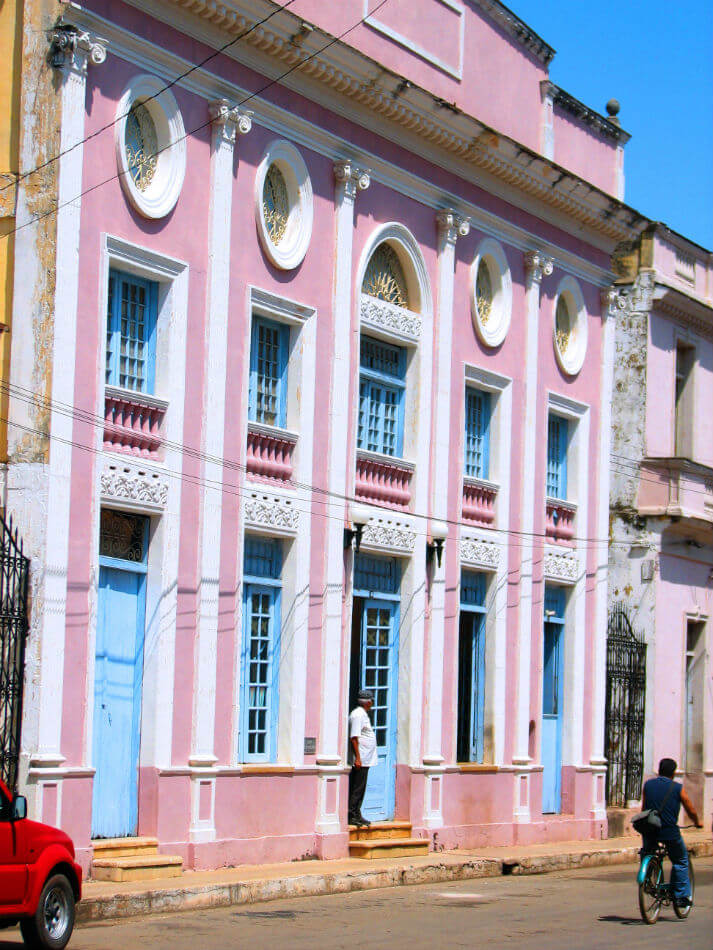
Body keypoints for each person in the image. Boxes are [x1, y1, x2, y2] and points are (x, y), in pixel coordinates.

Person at [639, 757, 703, 909]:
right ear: (673, 773)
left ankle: (648, 878)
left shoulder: (648, 785)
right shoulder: (677, 788)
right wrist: (697, 822)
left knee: (647, 852)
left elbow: (644, 808)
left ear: (659, 770)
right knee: (681, 860)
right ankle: (681, 897)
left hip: (649, 829)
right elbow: (690, 808)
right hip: (669, 831)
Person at [348, 689, 377, 827]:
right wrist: (358, 758)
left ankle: (356, 813)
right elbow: (354, 738)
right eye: (372, 701)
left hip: (365, 758)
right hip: (361, 759)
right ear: (368, 702)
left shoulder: (362, 714)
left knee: (361, 788)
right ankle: (352, 815)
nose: (372, 703)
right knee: (357, 788)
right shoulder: (358, 715)